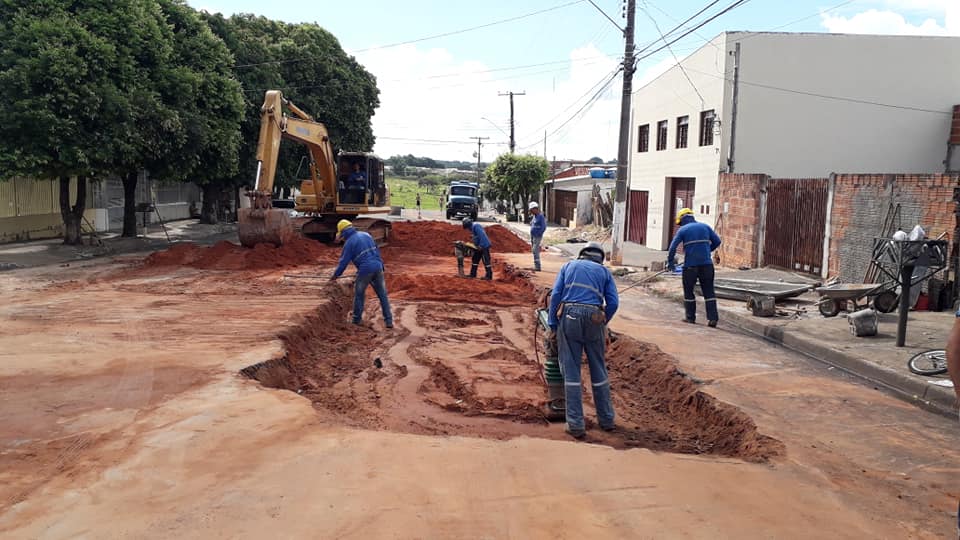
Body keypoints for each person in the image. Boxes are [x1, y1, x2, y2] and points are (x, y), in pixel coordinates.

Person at [548, 241, 619, 439]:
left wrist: (553, 324)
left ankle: (576, 424)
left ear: (582, 254)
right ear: (600, 258)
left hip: (569, 316)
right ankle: (606, 420)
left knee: (571, 371)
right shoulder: (604, 273)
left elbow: (555, 296)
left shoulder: (569, 266)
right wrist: (603, 321)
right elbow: (613, 302)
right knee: (598, 369)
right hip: (595, 317)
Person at [331, 219, 393, 329]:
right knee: (383, 295)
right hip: (378, 267)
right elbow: (376, 251)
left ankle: (356, 320)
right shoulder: (366, 235)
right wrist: (381, 266)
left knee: (359, 294)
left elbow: (343, 262)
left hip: (365, 270)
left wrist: (336, 275)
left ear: (343, 232)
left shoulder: (349, 243)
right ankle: (389, 321)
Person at [667, 208, 722, 327]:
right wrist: (707, 251)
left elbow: (672, 248)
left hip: (690, 266)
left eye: (680, 222)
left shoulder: (683, 230)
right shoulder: (705, 227)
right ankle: (713, 319)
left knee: (688, 291)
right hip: (707, 265)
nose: (679, 225)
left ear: (682, 219)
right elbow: (717, 241)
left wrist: (670, 263)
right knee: (709, 291)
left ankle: (690, 318)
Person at [528, 201, 546, 271]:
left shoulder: (540, 217)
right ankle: (536, 265)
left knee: (535, 250)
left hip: (537, 236)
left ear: (535, 209)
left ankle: (538, 266)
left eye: (532, 210)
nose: (531, 212)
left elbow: (543, 227)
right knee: (534, 250)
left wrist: (539, 233)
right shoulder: (534, 217)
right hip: (533, 236)